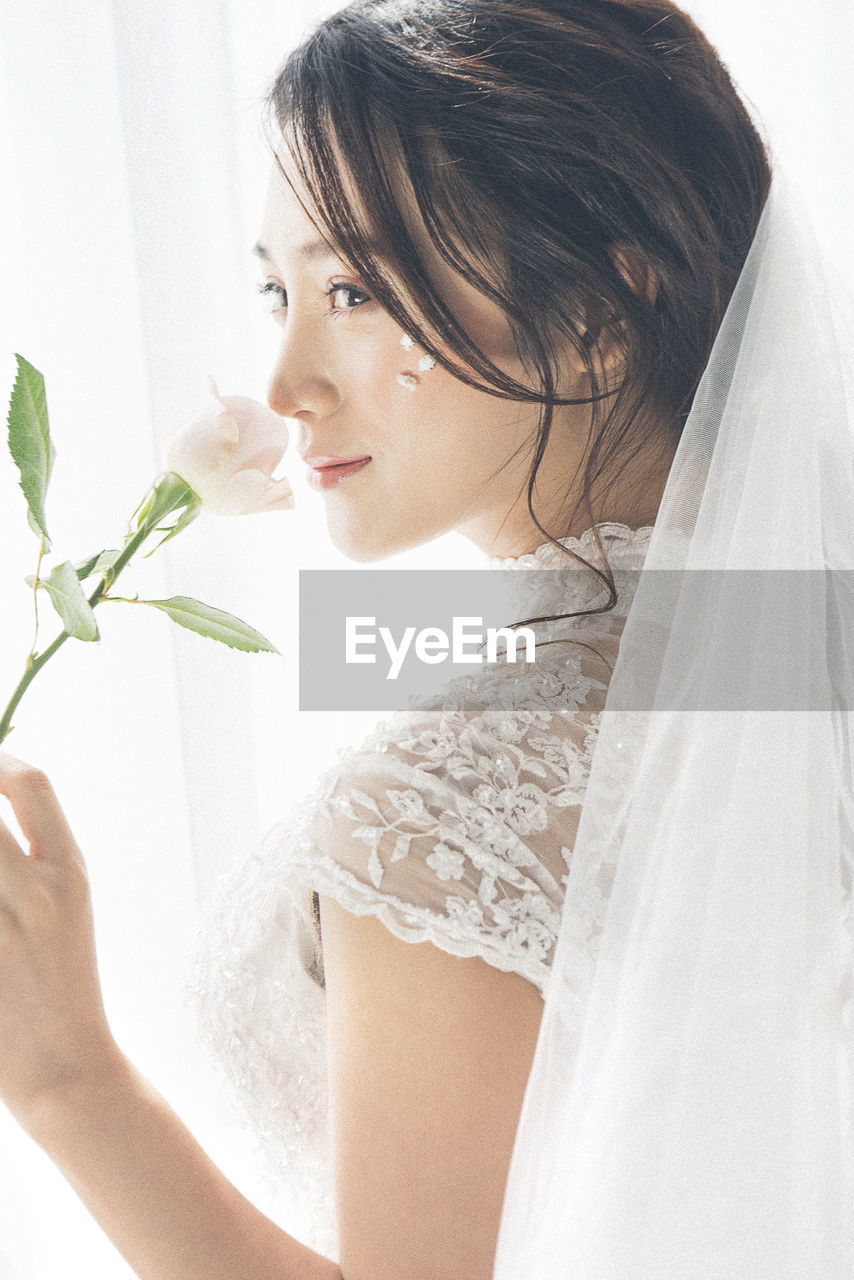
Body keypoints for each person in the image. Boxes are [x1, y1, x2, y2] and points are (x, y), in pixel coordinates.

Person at [0, 2, 850, 1278]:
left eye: (353, 288)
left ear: (597, 313)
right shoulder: (803, 651)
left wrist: (67, 1076)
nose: (284, 382)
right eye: (276, 287)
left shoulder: (453, 807)